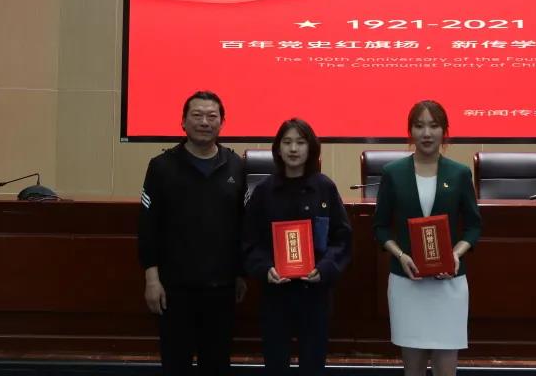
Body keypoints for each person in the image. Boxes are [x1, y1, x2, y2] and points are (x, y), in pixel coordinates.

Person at [138, 91, 247, 376]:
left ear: (222, 122)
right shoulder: (161, 167)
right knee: (176, 364)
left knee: (217, 363)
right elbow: (148, 226)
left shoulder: (236, 165)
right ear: (183, 122)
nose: (204, 122)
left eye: (212, 116)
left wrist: (240, 273)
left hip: (221, 288)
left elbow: (242, 224)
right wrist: (151, 279)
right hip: (174, 289)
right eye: (197, 115)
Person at [372, 100, 481, 376]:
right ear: (410, 131)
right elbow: (380, 228)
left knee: (446, 368)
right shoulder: (393, 173)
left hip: (449, 285)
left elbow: (473, 227)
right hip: (407, 282)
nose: (427, 133)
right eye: (419, 126)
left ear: (445, 131)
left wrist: (455, 255)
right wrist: (401, 256)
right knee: (414, 369)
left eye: (434, 126)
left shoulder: (459, 173)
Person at [242, 118, 352, 375]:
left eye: (300, 142)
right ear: (278, 149)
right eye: (287, 142)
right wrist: (265, 268)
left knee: (313, 364)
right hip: (275, 293)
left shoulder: (324, 188)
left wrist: (324, 268)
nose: (293, 149)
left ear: (310, 148)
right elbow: (249, 241)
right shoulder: (264, 191)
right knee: (275, 363)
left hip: (314, 293)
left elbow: (342, 238)